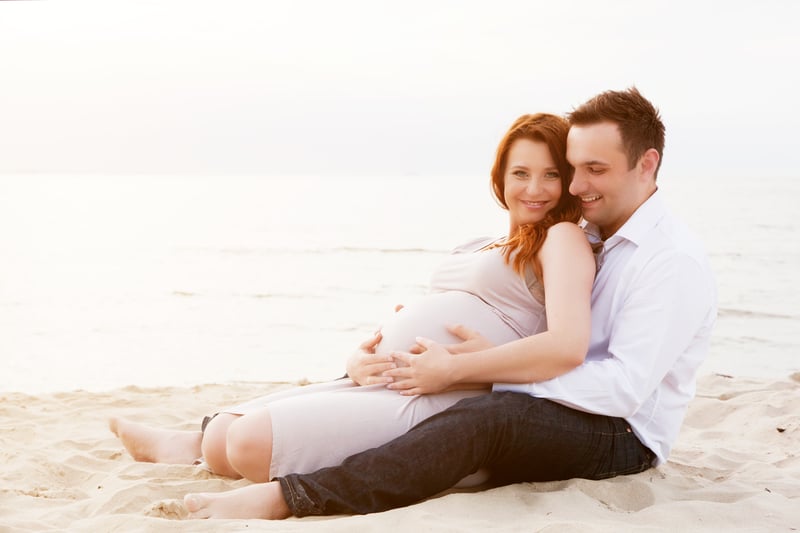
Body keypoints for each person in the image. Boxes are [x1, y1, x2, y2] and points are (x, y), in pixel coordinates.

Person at [180, 87, 718, 520]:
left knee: (489, 419)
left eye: (593, 170)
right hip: (570, 400)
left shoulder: (670, 261)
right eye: (571, 168)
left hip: (622, 433)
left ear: (647, 165)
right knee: (481, 413)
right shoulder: (599, 236)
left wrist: (486, 375)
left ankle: (293, 498)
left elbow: (622, 386)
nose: (575, 186)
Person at [110, 113, 595, 488]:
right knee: (219, 437)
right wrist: (360, 359)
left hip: (446, 397)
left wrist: (466, 364)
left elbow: (566, 346)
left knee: (246, 444)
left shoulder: (563, 239)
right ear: (500, 177)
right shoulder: (477, 245)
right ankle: (186, 446)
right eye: (521, 173)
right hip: (388, 378)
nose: (534, 190)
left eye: (550, 175)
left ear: (568, 181)